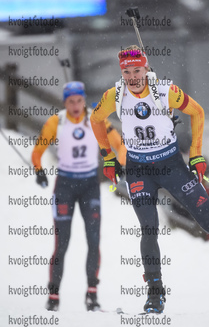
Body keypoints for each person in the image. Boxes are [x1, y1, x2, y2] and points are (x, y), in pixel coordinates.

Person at [90, 45, 209, 313]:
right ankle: (155, 294)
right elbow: (96, 118)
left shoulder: (164, 91)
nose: (132, 77)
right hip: (139, 169)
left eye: (137, 70)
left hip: (172, 166)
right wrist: (108, 157)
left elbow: (198, 112)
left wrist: (196, 155)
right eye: (126, 72)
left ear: (146, 69)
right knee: (148, 229)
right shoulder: (115, 95)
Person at [31, 81, 125, 312]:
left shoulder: (97, 118)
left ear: (84, 100)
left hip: (89, 185)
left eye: (79, 101)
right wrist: (39, 170)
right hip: (65, 186)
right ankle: (53, 296)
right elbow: (37, 151)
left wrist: (119, 164)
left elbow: (120, 145)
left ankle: (92, 295)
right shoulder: (57, 121)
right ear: (65, 102)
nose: (75, 105)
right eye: (70, 101)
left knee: (93, 241)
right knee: (61, 243)